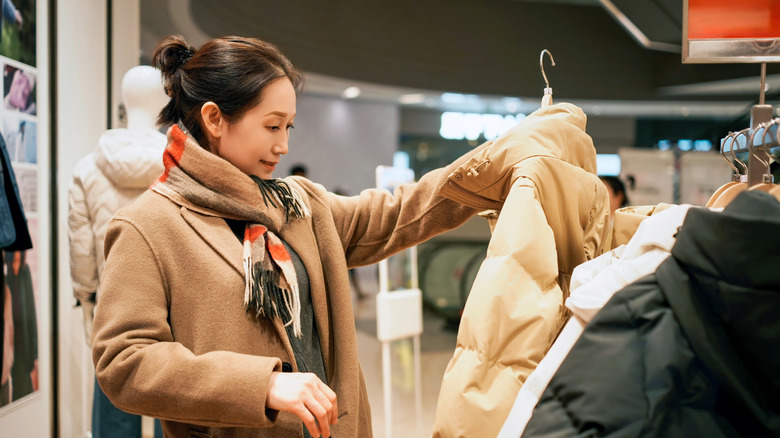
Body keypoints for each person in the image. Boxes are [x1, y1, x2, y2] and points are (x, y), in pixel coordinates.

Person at [91, 35, 487, 438]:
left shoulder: (297, 204)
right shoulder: (148, 225)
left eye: (288, 126)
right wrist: (262, 385)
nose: (283, 145)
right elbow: (123, 361)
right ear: (214, 119)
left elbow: (400, 211)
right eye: (272, 126)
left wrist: (497, 163)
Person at [68, 65, 168, 438]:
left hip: (113, 302)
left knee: (114, 392)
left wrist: (88, 299)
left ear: (125, 103)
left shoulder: (88, 168)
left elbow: (82, 249)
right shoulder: (183, 166)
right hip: (172, 302)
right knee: (174, 400)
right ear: (163, 103)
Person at [5, 250, 37, 401]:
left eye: (18, 261)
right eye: (13, 262)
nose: (16, 266)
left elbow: (31, 310)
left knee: (23, 387)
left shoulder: (25, 273)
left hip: (23, 344)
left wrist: (34, 352)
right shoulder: (6, 278)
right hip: (9, 345)